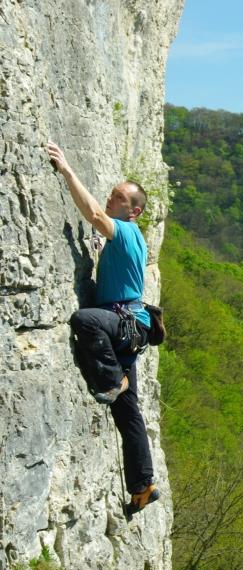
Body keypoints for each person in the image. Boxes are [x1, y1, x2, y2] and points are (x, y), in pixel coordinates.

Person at [46, 141, 159, 513]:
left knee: (84, 319)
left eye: (118, 198)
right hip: (130, 328)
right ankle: (142, 486)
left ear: (134, 211)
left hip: (122, 324)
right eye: (111, 195)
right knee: (128, 413)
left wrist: (66, 170)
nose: (110, 200)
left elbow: (94, 214)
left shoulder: (126, 231)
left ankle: (113, 379)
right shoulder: (126, 237)